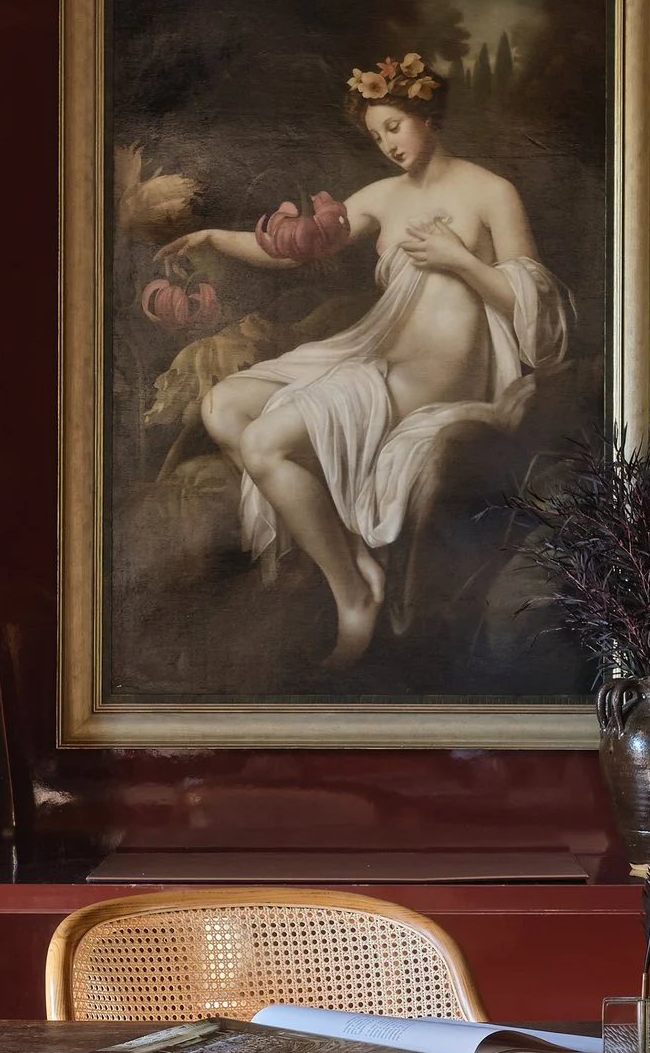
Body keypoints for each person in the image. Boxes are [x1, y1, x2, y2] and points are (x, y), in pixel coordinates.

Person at [160, 52, 570, 665]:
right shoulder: (382, 195)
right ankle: (348, 551)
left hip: (439, 375)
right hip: (377, 355)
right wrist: (216, 237)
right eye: (376, 134)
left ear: (427, 115)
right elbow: (295, 248)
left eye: (395, 126)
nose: (387, 144)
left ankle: (353, 598)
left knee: (267, 443)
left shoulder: (491, 191)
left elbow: (538, 308)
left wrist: (459, 260)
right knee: (223, 406)